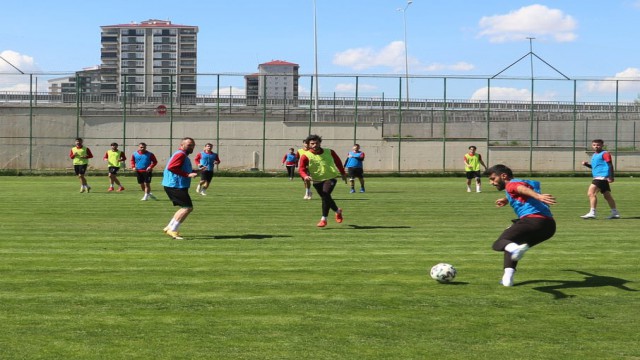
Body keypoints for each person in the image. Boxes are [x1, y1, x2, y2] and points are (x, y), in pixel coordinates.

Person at [486, 164, 557, 287]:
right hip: (549, 226)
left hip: (532, 221)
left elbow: (520, 189)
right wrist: (507, 199)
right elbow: (522, 190)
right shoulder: (524, 182)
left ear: (503, 176)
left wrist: (538, 196)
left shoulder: (512, 184)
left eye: (493, 179)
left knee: (500, 243)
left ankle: (515, 250)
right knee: (511, 244)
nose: (491, 183)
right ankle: (507, 278)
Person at [298, 134, 347, 227]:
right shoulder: (305, 156)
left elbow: (338, 162)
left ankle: (323, 219)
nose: (314, 145)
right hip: (317, 180)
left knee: (325, 195)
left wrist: (343, 173)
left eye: (316, 143)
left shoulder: (330, 152)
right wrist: (305, 176)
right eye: (312, 143)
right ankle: (337, 211)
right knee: (326, 198)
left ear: (320, 143)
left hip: (330, 177)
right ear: (308, 144)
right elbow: (301, 169)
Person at [162, 137, 199, 240]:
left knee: (184, 207)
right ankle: (173, 230)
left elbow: (181, 168)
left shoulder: (183, 155)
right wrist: (187, 175)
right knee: (188, 208)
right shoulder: (180, 154)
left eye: (193, 145)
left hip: (176, 184)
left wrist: (195, 171)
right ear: (182, 145)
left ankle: (169, 227)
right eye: (189, 145)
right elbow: (172, 167)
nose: (191, 147)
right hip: (175, 185)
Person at [580, 139, 620, 219]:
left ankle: (592, 212)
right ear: (592, 146)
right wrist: (587, 165)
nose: (596, 146)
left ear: (602, 145)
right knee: (607, 196)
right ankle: (615, 213)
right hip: (600, 177)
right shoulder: (594, 155)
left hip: (601, 177)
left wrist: (611, 177)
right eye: (594, 145)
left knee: (591, 193)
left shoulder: (605, 154)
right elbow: (594, 167)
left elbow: (610, 165)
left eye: (598, 145)